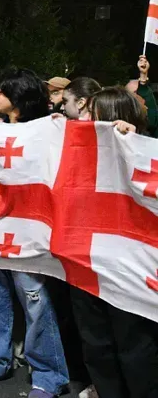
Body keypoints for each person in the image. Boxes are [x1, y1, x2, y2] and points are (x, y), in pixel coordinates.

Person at [0, 69, 69, 398]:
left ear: (18, 98)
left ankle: (49, 372)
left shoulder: (49, 131)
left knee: (36, 302)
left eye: (1, 91)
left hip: (29, 230)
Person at [67, 86, 158, 398]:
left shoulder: (146, 151)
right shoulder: (74, 152)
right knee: (97, 346)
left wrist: (134, 146)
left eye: (91, 113)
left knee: (135, 349)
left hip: (128, 269)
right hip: (86, 263)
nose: (82, 118)